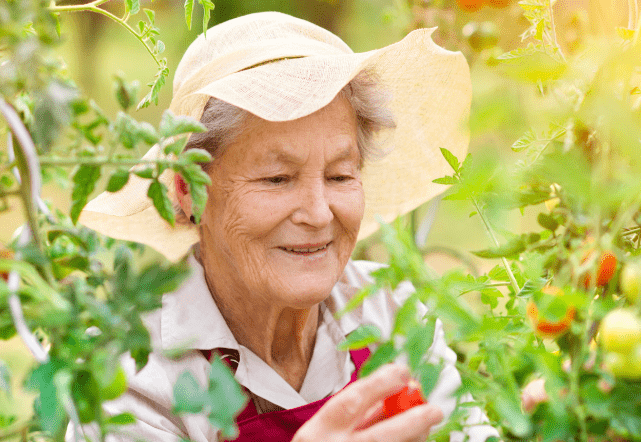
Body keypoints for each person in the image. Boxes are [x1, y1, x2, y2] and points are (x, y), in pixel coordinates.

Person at [77, 10, 497, 442]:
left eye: (339, 176)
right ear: (189, 190)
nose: (318, 214)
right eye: (277, 179)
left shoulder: (391, 314)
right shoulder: (127, 373)